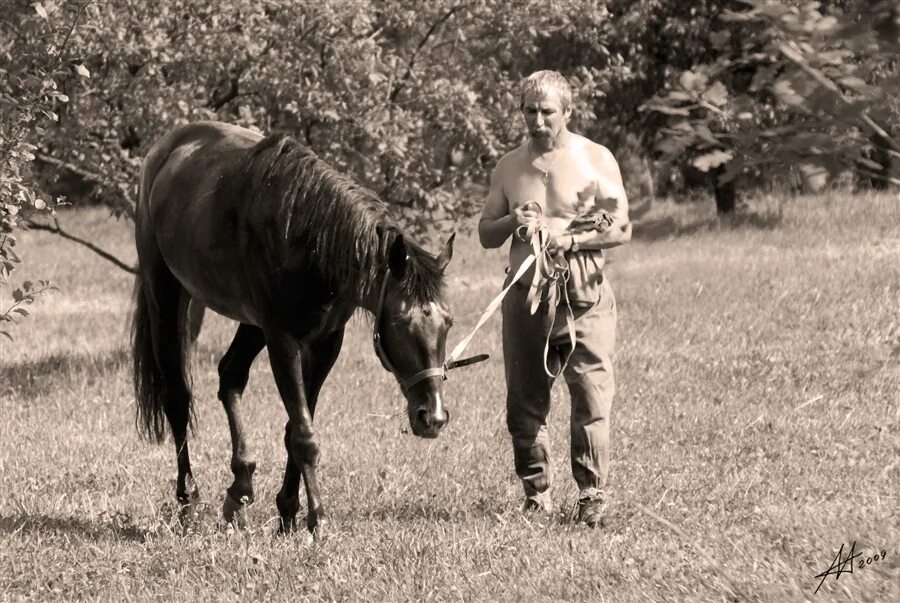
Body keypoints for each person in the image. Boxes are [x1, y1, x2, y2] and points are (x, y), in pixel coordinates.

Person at [478, 70, 631, 527]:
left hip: (583, 299)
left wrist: (572, 238)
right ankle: (537, 495)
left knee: (590, 396)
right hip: (525, 300)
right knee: (524, 402)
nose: (538, 120)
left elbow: (620, 226)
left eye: (548, 112)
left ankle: (591, 495)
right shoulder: (508, 167)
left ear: (567, 111)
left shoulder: (595, 158)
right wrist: (512, 222)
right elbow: (486, 233)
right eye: (530, 111)